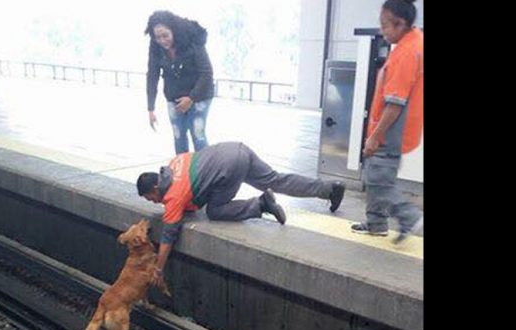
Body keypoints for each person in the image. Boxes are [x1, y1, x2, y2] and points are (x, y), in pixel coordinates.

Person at [137, 142, 345, 288]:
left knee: (215, 211)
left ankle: (261, 204)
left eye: (151, 197)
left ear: (157, 186)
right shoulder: (175, 163)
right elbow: (195, 189)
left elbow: (169, 235)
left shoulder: (174, 195)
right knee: (276, 179)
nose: (153, 201)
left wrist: (158, 268)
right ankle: (329, 189)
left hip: (228, 167)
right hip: (237, 149)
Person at [350, 0, 423, 244]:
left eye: (385, 26)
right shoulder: (409, 43)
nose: (382, 31)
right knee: (374, 174)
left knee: (380, 180)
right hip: (393, 128)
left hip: (391, 130)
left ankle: (409, 216)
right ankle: (376, 224)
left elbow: (395, 103)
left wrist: (375, 136)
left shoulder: (406, 52)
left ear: (401, 24)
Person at [145, 10, 214, 155]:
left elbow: (206, 74)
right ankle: (182, 174)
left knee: (198, 135)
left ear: (174, 31)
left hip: (199, 94)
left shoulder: (192, 40)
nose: (162, 41)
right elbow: (152, 75)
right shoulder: (155, 46)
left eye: (165, 35)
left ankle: (206, 174)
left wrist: (191, 99)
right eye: (158, 37)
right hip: (174, 97)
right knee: (179, 136)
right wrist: (150, 108)